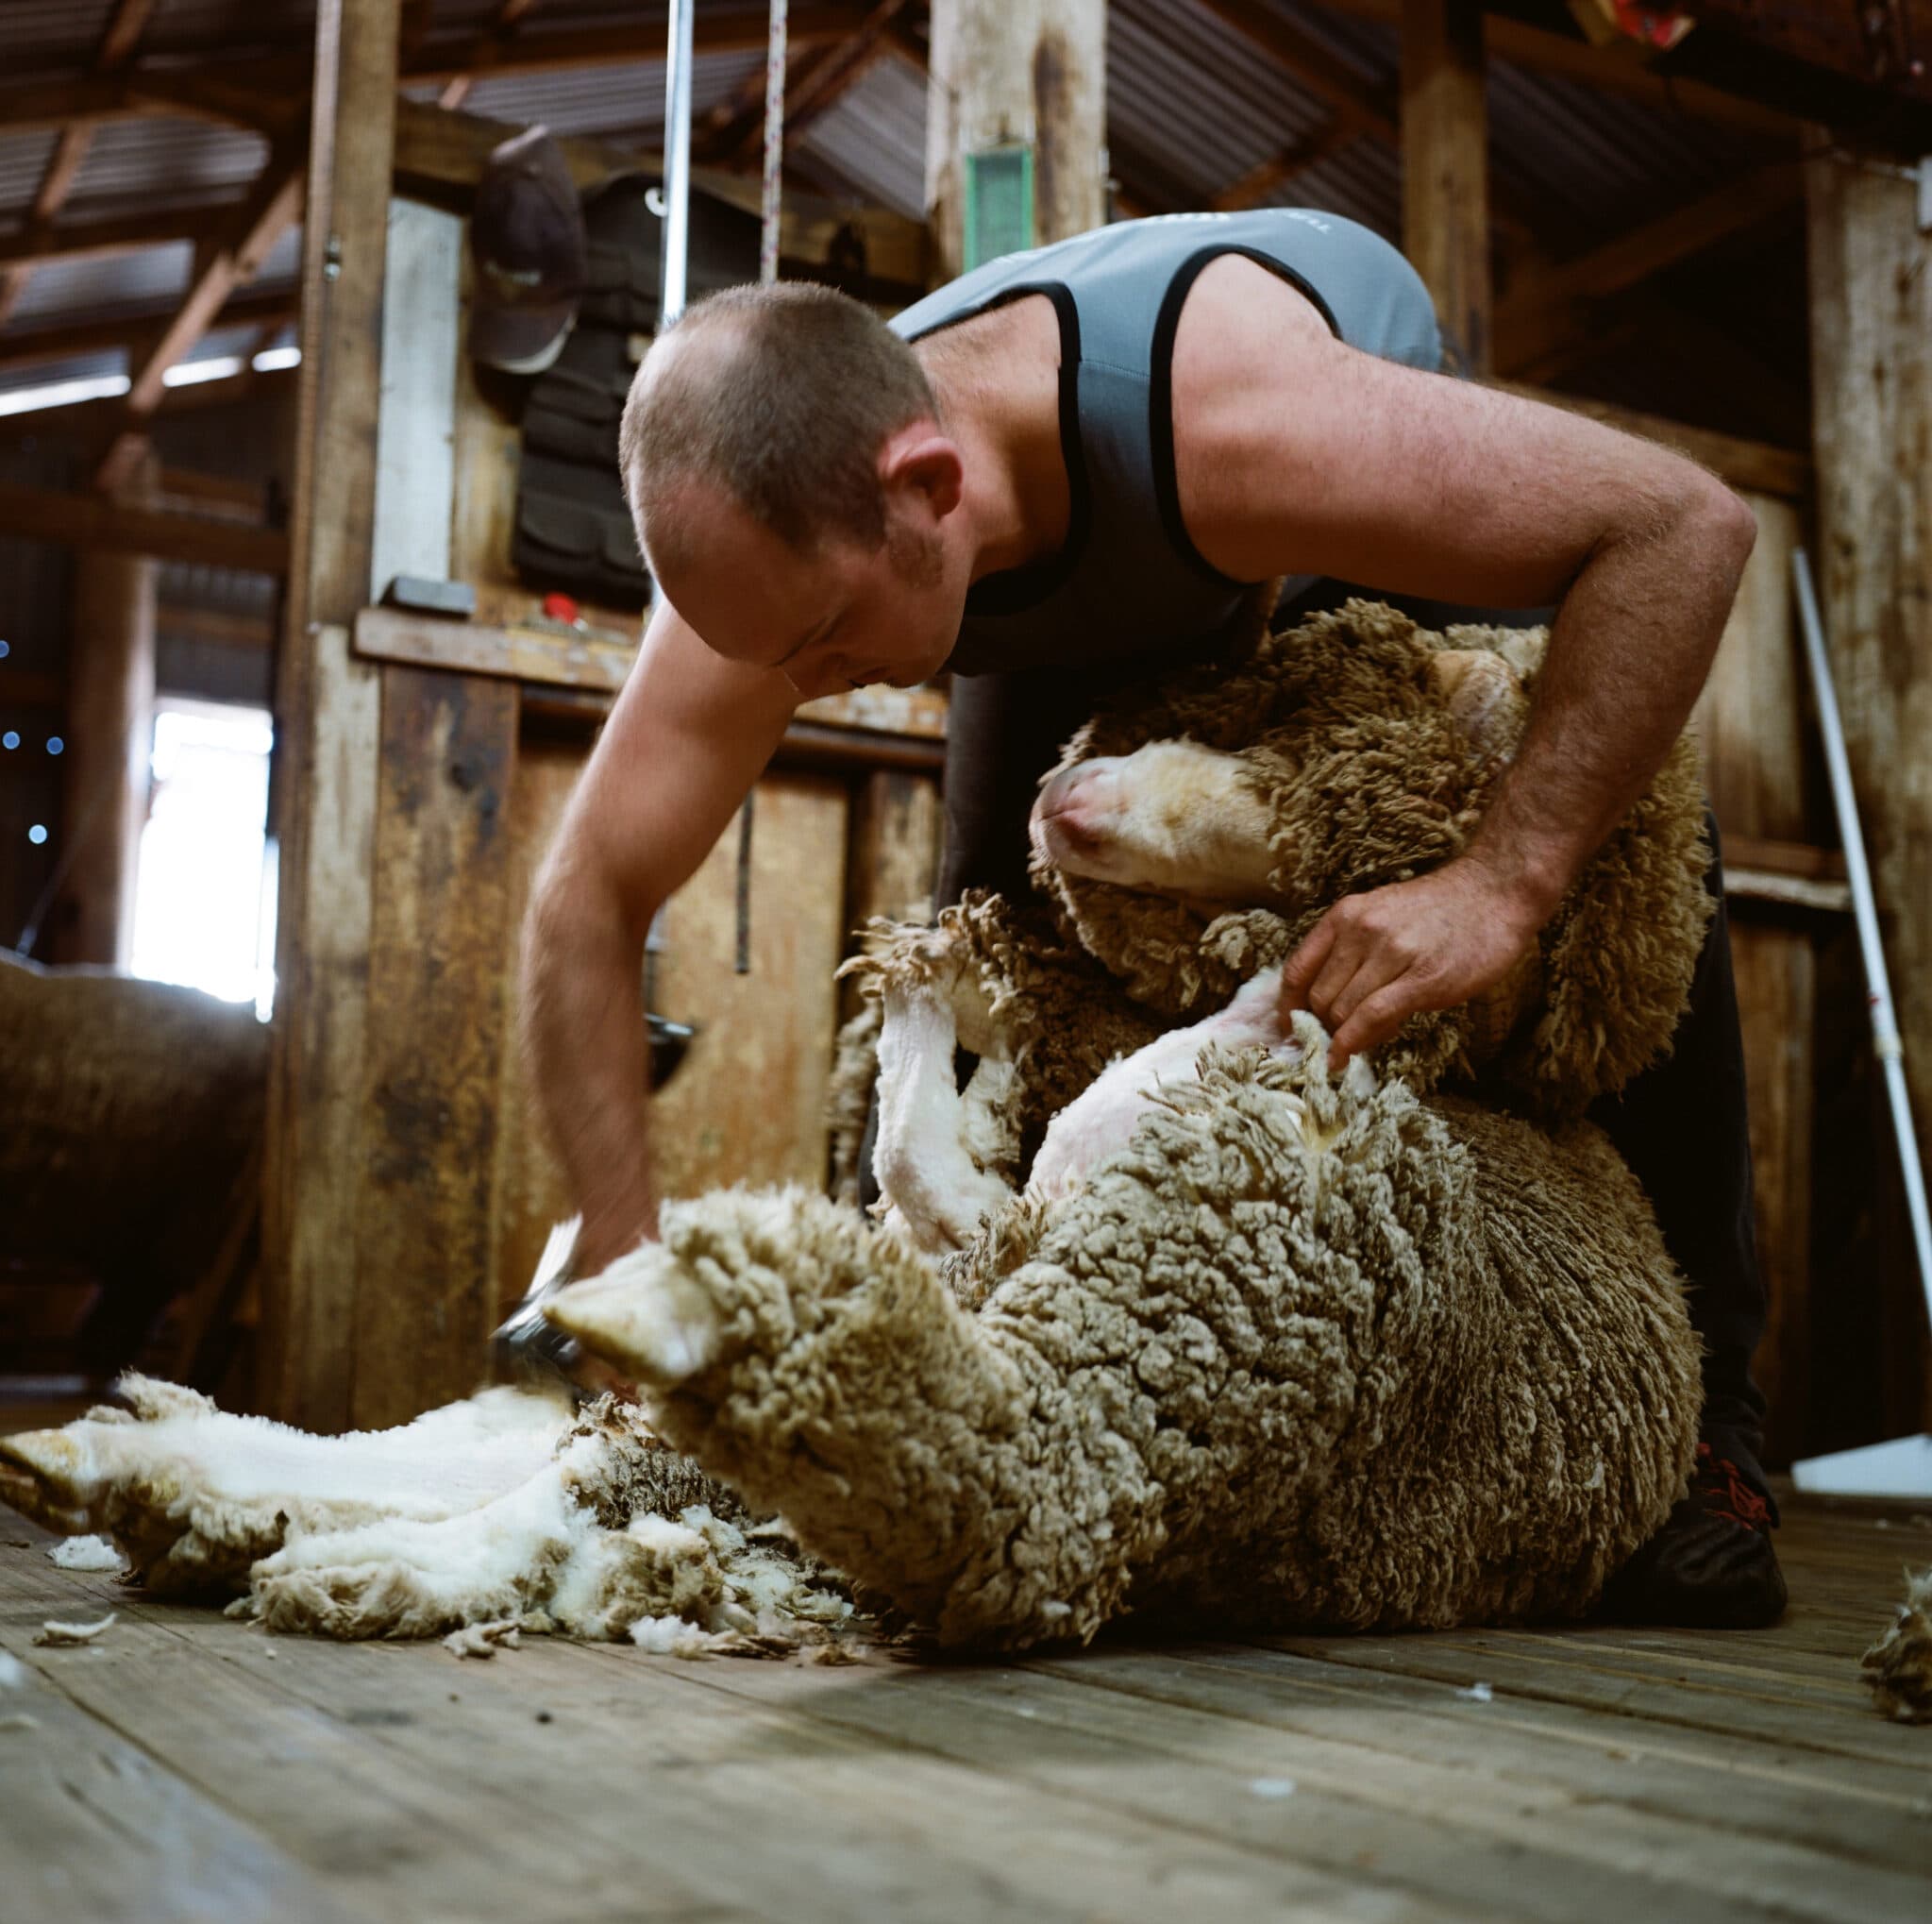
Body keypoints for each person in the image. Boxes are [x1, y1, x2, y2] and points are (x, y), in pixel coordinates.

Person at [516, 210, 1782, 1626]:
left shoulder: (1239, 424)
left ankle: (1718, 1425)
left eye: (820, 644)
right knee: (991, 972)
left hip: (1270, 460)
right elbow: (588, 892)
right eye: (772, 657)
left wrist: (1504, 879)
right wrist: (616, 1235)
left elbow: (1680, 529)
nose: (816, 689)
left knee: (1626, 819)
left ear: (926, 484)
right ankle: (983, 1409)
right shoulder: (784, 534)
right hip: (1051, 550)